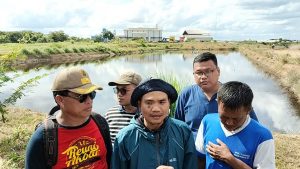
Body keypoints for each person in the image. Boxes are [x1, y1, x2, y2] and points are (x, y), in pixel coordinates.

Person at [25, 67, 112, 169]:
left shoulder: (100, 123)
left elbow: (109, 160)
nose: (89, 101)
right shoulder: (43, 138)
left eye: (91, 94)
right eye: (81, 96)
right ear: (60, 100)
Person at [111, 78, 198, 169]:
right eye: (149, 103)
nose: (156, 109)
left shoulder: (183, 131)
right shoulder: (125, 137)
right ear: (139, 105)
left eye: (162, 102)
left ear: (169, 103)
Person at [175, 52, 258, 140]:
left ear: (218, 71)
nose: (203, 77)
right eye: (198, 73)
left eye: (208, 71)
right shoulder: (186, 94)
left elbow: (253, 127)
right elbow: (178, 126)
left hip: (225, 149)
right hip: (191, 150)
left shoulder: (234, 94)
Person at [195, 81, 275, 169]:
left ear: (249, 110)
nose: (229, 122)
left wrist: (230, 159)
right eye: (224, 117)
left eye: (236, 119)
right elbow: (200, 158)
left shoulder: (263, 137)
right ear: (217, 103)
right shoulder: (207, 121)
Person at [105, 71, 142, 144]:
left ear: (138, 91)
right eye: (117, 90)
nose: (119, 94)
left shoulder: (146, 115)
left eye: (123, 90)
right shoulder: (110, 114)